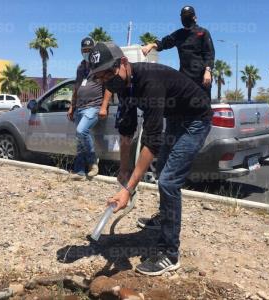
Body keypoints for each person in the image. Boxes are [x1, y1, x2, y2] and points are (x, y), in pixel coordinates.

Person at [88, 42, 212, 276]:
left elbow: (152, 141)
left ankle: (169, 253)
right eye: (100, 77)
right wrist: (124, 170)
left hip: (196, 120)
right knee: (160, 172)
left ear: (123, 63)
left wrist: (128, 190)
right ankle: (164, 219)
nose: (106, 81)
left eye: (108, 73)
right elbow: (127, 127)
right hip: (175, 118)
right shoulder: (123, 84)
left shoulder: (150, 82)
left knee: (168, 181)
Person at [142, 5, 215, 98]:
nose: (186, 18)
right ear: (181, 19)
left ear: (195, 18)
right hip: (185, 78)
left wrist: (208, 71)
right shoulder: (178, 35)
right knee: (185, 108)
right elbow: (164, 43)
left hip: (202, 78)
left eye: (189, 16)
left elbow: (209, 53)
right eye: (184, 16)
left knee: (203, 108)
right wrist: (151, 45)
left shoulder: (203, 33)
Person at [67, 37, 111, 180]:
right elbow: (76, 87)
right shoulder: (81, 67)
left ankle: (93, 162)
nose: (86, 52)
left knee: (81, 131)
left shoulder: (100, 64)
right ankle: (79, 171)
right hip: (80, 107)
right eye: (84, 50)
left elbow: (109, 87)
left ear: (94, 50)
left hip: (94, 106)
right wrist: (72, 106)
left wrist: (104, 106)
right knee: (80, 140)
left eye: (89, 50)